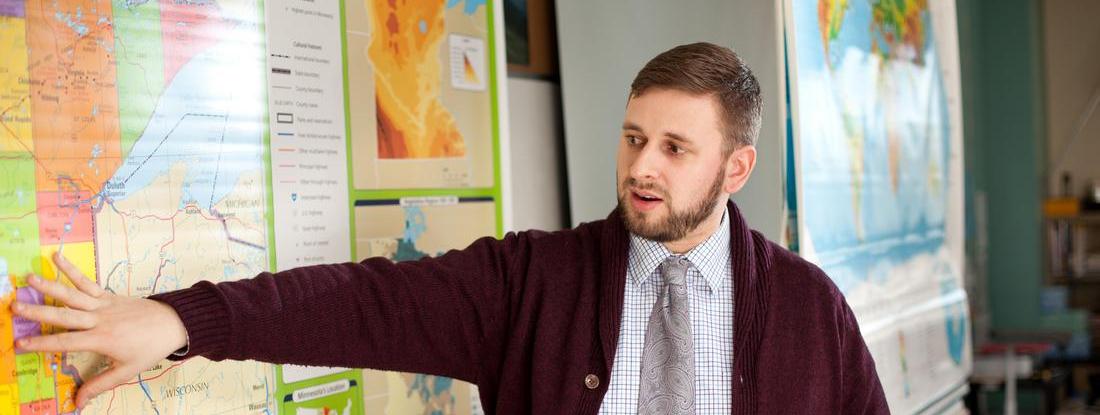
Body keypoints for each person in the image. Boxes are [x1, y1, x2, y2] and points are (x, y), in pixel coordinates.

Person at [12, 42, 888, 414]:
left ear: (736, 168)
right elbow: (365, 302)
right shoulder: (535, 282)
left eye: (674, 148)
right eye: (632, 138)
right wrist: (180, 318)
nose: (641, 167)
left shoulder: (811, 311)